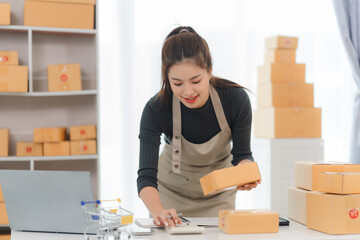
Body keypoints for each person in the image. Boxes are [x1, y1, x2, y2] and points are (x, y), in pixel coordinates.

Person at [137, 26, 260, 227]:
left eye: (196, 81)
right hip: (170, 198)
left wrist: (246, 173)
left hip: (219, 198)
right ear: (167, 79)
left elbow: (243, 155)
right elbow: (146, 177)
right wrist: (158, 210)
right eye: (177, 83)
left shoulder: (235, 100)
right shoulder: (156, 109)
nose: (188, 91)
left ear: (209, 70)